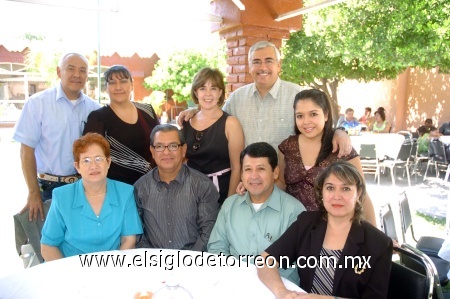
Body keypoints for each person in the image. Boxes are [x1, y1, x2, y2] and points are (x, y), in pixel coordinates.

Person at [177, 41, 352, 157]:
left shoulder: (297, 95)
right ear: (249, 66)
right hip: (246, 185)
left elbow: (318, 124)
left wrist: (339, 131)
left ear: (279, 65)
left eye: (269, 61)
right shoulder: (237, 98)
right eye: (256, 62)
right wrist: (196, 111)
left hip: (288, 185)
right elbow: (215, 119)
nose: (263, 67)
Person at [257, 161, 393, 299]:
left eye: (345, 189)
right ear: (321, 192)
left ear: (358, 193)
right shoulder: (306, 223)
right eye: (330, 188)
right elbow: (265, 260)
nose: (337, 196)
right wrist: (282, 292)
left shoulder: (379, 244)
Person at [13, 53, 101, 221]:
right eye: (71, 69)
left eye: (82, 70)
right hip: (49, 190)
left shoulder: (94, 109)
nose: (77, 74)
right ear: (59, 72)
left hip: (85, 188)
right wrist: (33, 192)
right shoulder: (37, 104)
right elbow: (26, 151)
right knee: (50, 243)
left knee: (83, 243)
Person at [207, 142, 306, 283]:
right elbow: (217, 248)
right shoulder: (229, 205)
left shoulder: (294, 211)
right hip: (234, 283)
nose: (254, 176)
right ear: (241, 174)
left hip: (277, 289)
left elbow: (296, 264)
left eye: (261, 169)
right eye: (248, 169)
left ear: (276, 172)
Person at [277, 89, 376, 225]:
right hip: (293, 228)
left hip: (333, 230)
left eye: (313, 114)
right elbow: (280, 183)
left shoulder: (342, 149)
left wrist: (376, 236)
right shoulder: (287, 147)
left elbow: (362, 194)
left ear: (326, 115)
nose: (306, 121)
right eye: (300, 116)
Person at [40, 133, 143, 261]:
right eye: (86, 160)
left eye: (99, 159)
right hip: (70, 271)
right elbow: (48, 246)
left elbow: (129, 240)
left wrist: (113, 272)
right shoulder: (62, 196)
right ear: (77, 167)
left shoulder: (125, 192)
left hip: (112, 268)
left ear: (108, 162)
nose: (93, 166)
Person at [133, 124, 220, 251]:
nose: (166, 152)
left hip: (194, 264)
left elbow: (208, 232)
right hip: (153, 265)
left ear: (183, 149)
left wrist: (187, 263)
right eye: (159, 146)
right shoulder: (140, 188)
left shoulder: (203, 185)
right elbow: (137, 234)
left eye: (173, 146)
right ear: (152, 151)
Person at [83, 65, 159, 185]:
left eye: (123, 81)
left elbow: (160, 145)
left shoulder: (147, 111)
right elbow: (89, 157)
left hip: (150, 186)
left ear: (132, 85)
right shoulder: (98, 118)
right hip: (116, 190)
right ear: (106, 88)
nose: (118, 87)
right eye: (112, 83)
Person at [182, 67, 245, 204]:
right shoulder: (186, 121)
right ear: (196, 92)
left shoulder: (231, 123)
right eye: (203, 88)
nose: (208, 94)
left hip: (220, 193)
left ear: (220, 92)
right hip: (191, 193)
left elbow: (237, 168)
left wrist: (229, 204)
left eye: (214, 88)